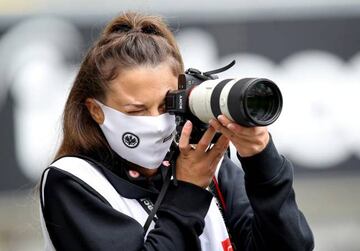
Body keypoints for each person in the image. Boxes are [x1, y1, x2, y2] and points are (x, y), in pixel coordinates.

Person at [39, 11, 314, 251]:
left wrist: (261, 161)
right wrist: (188, 191)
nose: (155, 120)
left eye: (166, 105)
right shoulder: (74, 181)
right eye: (136, 110)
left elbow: (291, 245)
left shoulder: (208, 166)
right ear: (95, 110)